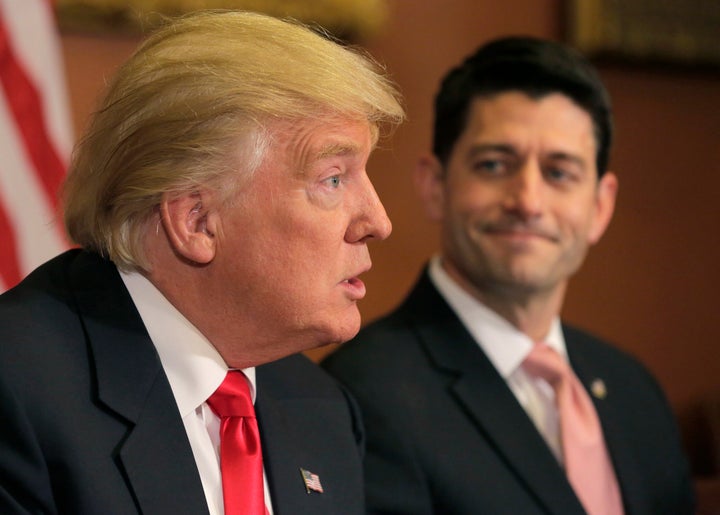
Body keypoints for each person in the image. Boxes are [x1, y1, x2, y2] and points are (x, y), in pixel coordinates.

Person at [0, 10, 404, 514]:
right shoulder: (17, 389)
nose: (377, 221)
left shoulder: (321, 410)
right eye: (333, 179)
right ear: (196, 221)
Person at [322, 36, 694, 514]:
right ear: (435, 186)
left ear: (600, 207)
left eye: (560, 173)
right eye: (494, 165)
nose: (528, 201)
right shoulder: (363, 394)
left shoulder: (633, 389)